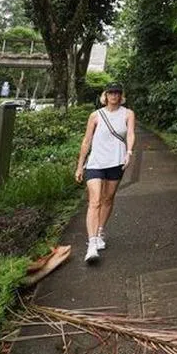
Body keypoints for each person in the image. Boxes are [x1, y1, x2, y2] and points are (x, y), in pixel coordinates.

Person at [74, 82, 136, 263]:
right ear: (105, 95)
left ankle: (100, 231)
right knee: (94, 201)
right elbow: (86, 141)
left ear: (121, 95)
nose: (114, 96)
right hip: (95, 163)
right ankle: (92, 244)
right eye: (110, 93)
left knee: (108, 198)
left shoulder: (128, 113)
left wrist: (129, 152)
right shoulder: (96, 115)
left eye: (117, 93)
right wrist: (80, 165)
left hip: (116, 162)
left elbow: (131, 133)